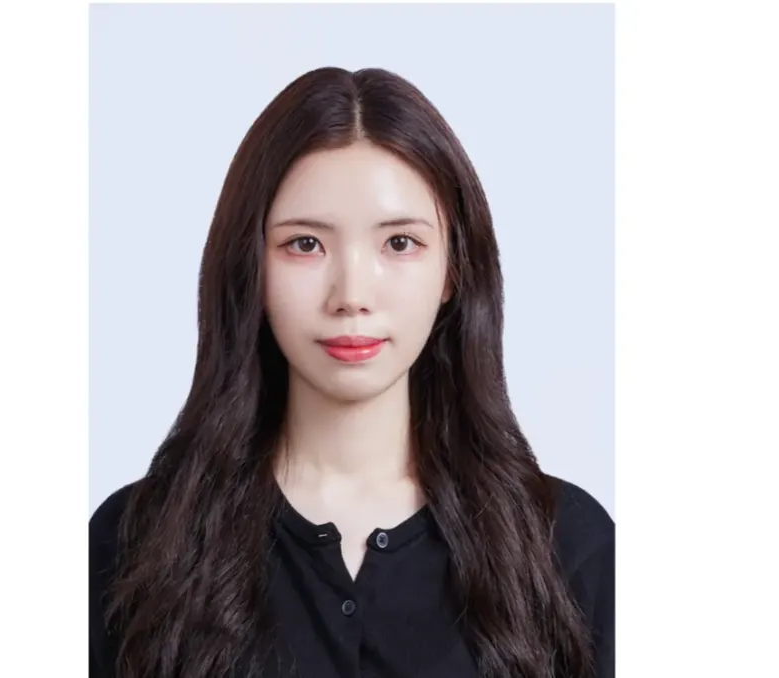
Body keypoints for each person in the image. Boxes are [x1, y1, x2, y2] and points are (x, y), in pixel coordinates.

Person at [90, 66, 614, 678]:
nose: (352, 295)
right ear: (249, 267)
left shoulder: (568, 548)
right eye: (305, 244)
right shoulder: (132, 545)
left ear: (454, 269)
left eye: (400, 243)